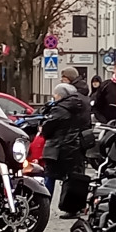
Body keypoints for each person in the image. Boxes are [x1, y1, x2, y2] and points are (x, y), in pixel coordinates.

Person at [41, 82, 92, 218]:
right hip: (75, 147)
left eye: (55, 95)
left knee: (49, 177)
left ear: (60, 95)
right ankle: (73, 208)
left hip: (58, 149)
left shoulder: (60, 109)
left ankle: (43, 207)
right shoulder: (82, 106)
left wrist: (42, 127)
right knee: (72, 179)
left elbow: (47, 128)